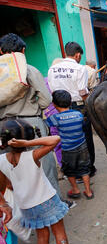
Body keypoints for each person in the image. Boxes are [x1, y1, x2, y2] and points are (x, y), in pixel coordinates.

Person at [0, 120, 83, 244]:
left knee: (42, 237)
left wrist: (5, 203)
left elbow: (4, 186)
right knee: (59, 231)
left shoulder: (2, 160)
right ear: (25, 138)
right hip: (47, 200)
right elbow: (55, 139)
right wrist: (28, 143)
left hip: (27, 206)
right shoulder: (31, 155)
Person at [0, 33, 64, 204]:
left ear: (0, 51)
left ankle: (19, 210)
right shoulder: (29, 70)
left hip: (3, 127)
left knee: (10, 170)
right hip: (31, 124)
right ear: (22, 51)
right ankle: (54, 206)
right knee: (45, 166)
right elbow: (46, 99)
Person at [48, 41, 96, 178]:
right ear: (77, 55)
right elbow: (82, 92)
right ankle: (88, 169)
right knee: (85, 138)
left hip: (59, 108)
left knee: (65, 137)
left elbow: (52, 90)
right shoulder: (80, 69)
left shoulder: (52, 69)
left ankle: (72, 171)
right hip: (78, 107)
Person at [47, 90, 94, 200]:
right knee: (85, 169)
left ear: (54, 104)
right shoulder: (78, 114)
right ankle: (88, 192)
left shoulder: (56, 118)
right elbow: (83, 125)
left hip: (67, 149)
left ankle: (75, 190)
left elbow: (47, 123)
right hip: (82, 147)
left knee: (69, 170)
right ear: (70, 102)